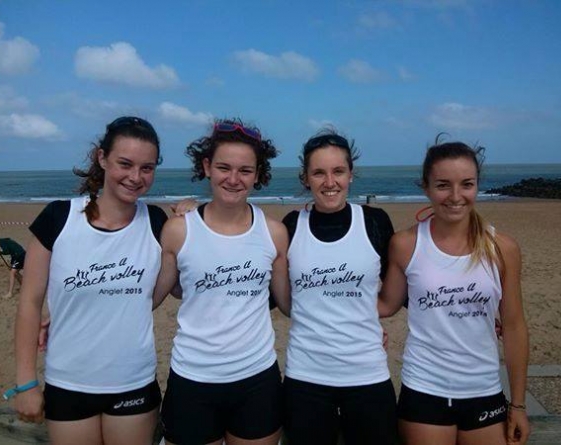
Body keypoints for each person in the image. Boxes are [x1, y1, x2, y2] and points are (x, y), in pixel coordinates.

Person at [12, 116, 167, 445]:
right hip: (68, 381)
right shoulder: (58, 218)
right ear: (101, 158)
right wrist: (26, 382)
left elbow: (153, 294)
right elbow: (29, 303)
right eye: (125, 164)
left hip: (133, 381)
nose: (135, 177)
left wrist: (187, 210)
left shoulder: (156, 222)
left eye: (147, 168)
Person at [379, 138, 530, 445]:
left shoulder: (502, 249)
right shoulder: (405, 244)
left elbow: (514, 326)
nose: (456, 196)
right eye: (443, 185)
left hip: (484, 389)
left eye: (467, 184)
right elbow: (385, 305)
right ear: (426, 187)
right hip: (424, 389)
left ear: (477, 186)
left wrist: (518, 404)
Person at [152, 118, 290, 445]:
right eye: (224, 167)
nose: (233, 178)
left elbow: (290, 305)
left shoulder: (274, 233)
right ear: (207, 167)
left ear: (257, 174)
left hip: (257, 379)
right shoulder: (179, 230)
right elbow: (151, 296)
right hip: (192, 378)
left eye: (245, 170)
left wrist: (362, 321)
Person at [281, 129, 398, 445]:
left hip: (367, 374)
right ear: (306, 178)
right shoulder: (291, 226)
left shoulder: (375, 222)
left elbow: (395, 293)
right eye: (319, 172)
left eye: (338, 172)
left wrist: (364, 318)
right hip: (306, 377)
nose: (329, 182)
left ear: (351, 175)